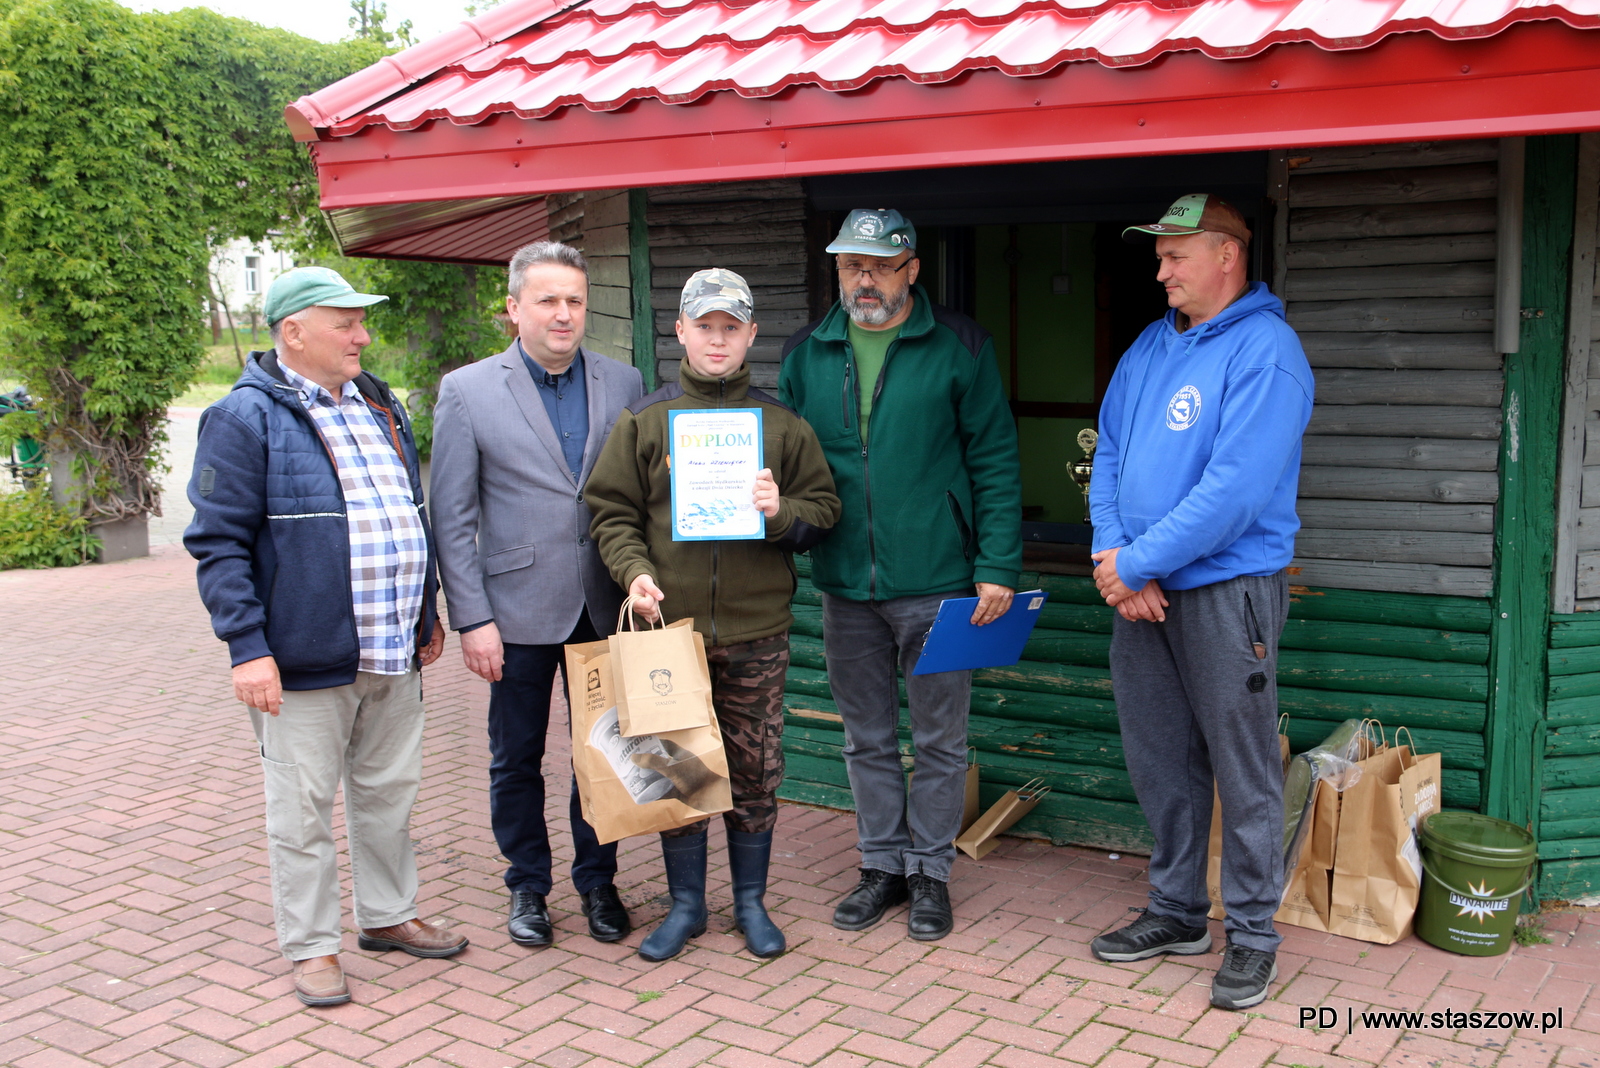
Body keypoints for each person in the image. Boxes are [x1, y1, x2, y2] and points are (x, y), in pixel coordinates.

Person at [185, 267, 463, 1008]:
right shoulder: (243, 419)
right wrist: (247, 648)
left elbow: (408, 514)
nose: (362, 336)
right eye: (346, 323)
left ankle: (388, 915)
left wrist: (424, 611)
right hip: (302, 658)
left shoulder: (381, 404)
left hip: (390, 649)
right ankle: (311, 948)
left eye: (361, 322)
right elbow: (218, 545)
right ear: (294, 330)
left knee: (388, 794)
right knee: (301, 811)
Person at [1086, 195, 1314, 1011]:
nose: (1161, 271)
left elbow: (1236, 493)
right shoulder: (1151, 346)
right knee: (1161, 759)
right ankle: (1178, 911)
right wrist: (1117, 559)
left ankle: (1252, 935)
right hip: (1143, 593)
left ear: (1227, 254)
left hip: (1227, 593)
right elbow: (1107, 451)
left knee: (1243, 768)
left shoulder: (1267, 353)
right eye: (1159, 256)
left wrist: (1138, 562)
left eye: (1176, 255)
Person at [778, 210, 1022, 942]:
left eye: (880, 265)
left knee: (942, 740)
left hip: (942, 581)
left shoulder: (960, 346)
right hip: (846, 582)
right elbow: (786, 464)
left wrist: (997, 564)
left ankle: (931, 873)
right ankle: (881, 865)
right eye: (851, 265)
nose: (864, 279)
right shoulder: (807, 352)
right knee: (867, 737)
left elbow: (996, 461)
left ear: (912, 268)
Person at [586, 268, 841, 961]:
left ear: (752, 334)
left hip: (758, 629)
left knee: (755, 769)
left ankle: (751, 902)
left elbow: (824, 510)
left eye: (731, 327)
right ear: (681, 333)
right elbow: (610, 513)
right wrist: (635, 575)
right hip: (672, 634)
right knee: (680, 772)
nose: (718, 340)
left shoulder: (783, 426)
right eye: (705, 326)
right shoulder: (645, 420)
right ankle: (688, 906)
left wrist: (779, 513)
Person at [430, 241, 645, 949]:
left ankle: (598, 882)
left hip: (603, 602)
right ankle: (527, 885)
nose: (564, 314)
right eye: (548, 300)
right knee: (515, 757)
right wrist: (473, 619)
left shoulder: (624, 382)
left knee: (603, 753)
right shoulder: (467, 391)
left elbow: (639, 495)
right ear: (514, 309)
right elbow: (453, 517)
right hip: (515, 610)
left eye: (575, 301)